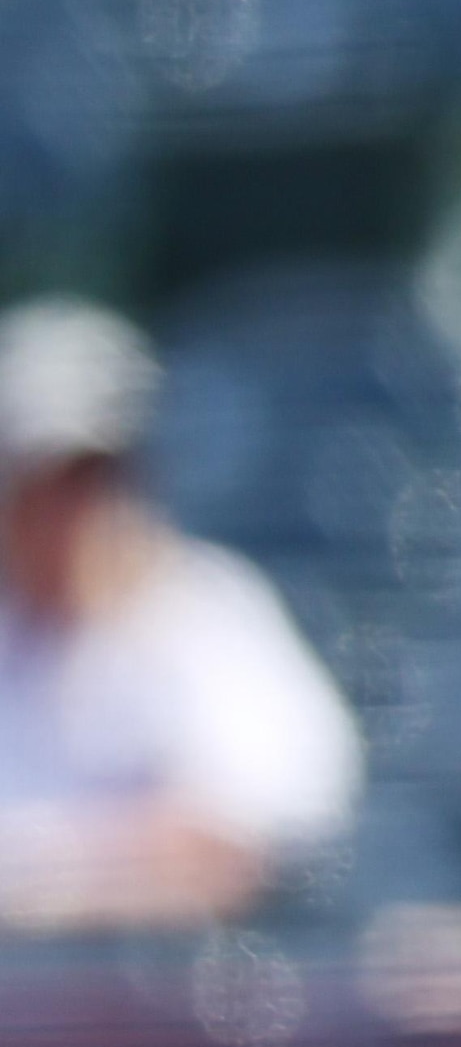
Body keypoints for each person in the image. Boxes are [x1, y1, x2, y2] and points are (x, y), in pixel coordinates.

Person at [0, 298, 360, 929]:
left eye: (94, 478)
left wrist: (48, 882)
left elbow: (243, 842)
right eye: (47, 482)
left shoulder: (210, 615)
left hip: (174, 1004)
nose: (73, 510)